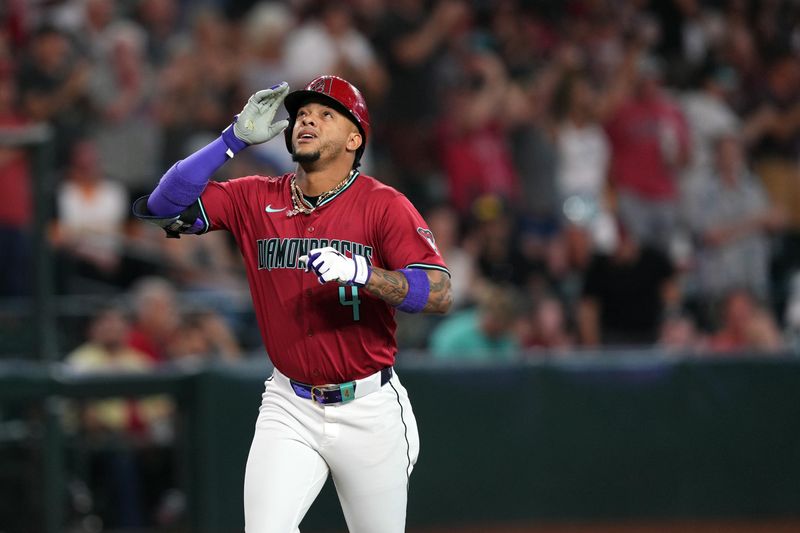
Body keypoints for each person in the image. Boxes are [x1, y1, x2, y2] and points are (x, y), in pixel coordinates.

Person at [133, 76, 452, 532]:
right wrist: (232, 140)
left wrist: (365, 274)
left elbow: (440, 292)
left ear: (354, 138)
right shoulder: (255, 196)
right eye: (303, 113)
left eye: (326, 114)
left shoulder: (384, 205)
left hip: (368, 407)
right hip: (290, 402)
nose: (308, 119)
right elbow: (163, 205)